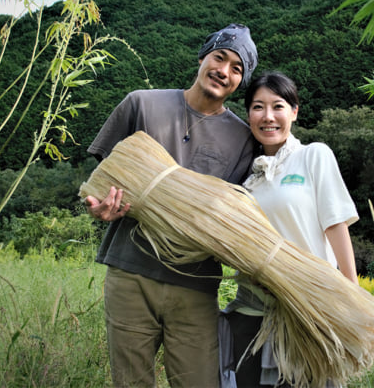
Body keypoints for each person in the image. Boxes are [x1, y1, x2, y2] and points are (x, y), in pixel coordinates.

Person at [84, 23, 258, 387]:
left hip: (195, 286)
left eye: (236, 68)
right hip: (131, 274)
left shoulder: (243, 138)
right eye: (219, 57)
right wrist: (98, 207)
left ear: (240, 82)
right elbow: (99, 181)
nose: (224, 71)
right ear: (202, 57)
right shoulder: (142, 104)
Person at [220, 71, 359, 387]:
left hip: (308, 310)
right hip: (252, 311)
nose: (268, 117)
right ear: (248, 115)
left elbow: (335, 223)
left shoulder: (313, 156)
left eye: (278, 106)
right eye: (258, 107)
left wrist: (352, 293)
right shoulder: (245, 179)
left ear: (294, 111)